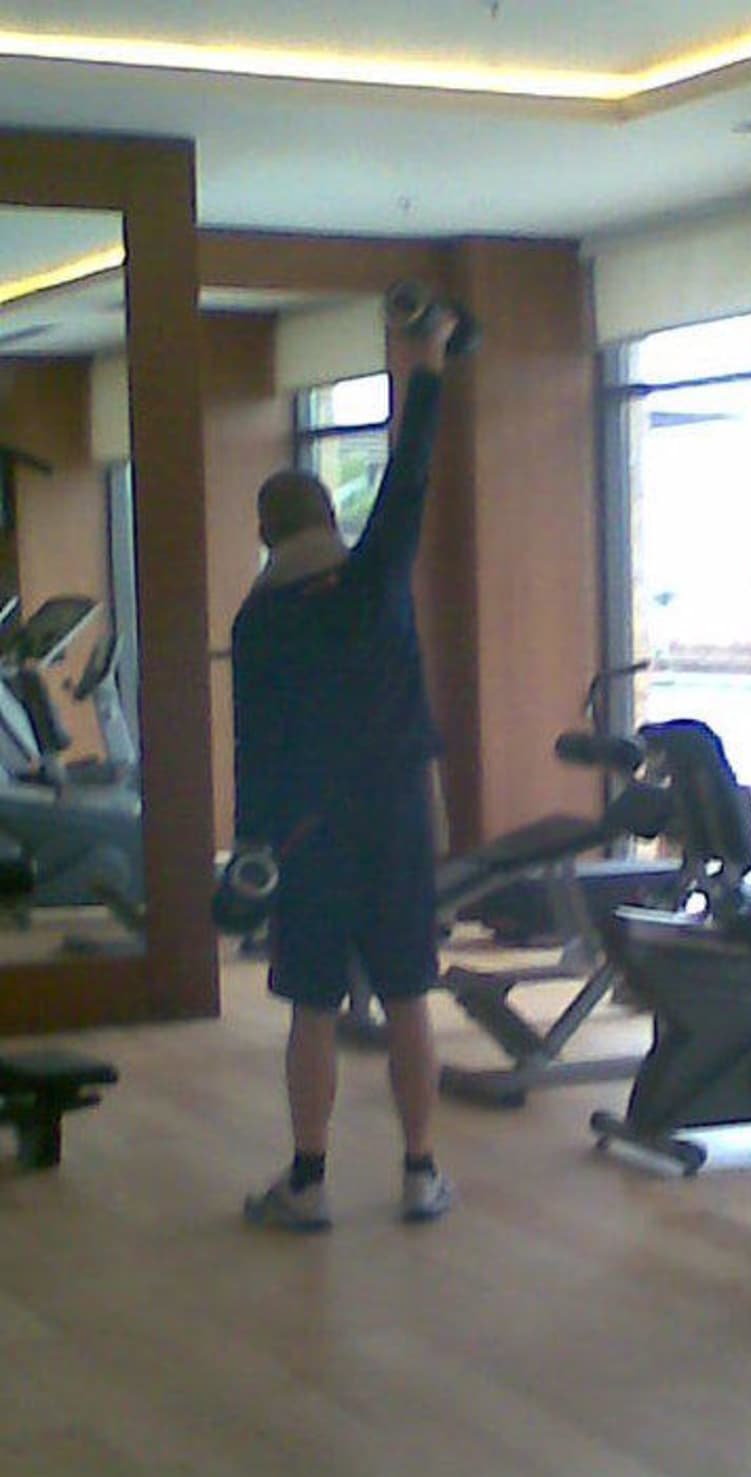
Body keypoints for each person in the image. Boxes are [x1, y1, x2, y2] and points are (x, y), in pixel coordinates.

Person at [231, 296, 463, 1232]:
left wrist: (253, 849)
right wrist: (429, 362)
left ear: (265, 535)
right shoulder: (376, 580)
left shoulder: (258, 621)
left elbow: (252, 746)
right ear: (330, 515)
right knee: (408, 998)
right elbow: (411, 470)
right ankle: (420, 1174)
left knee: (313, 1008)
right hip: (398, 818)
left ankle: (308, 1182)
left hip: (309, 833)